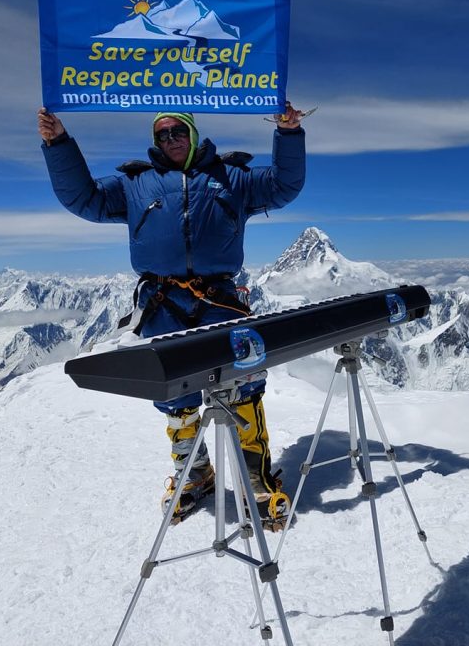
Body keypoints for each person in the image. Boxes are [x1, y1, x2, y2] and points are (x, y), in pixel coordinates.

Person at [38, 103, 306, 526]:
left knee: (244, 385)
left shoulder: (231, 177)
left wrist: (288, 134)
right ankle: (195, 473)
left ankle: (256, 479)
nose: (170, 140)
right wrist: (58, 145)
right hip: (163, 304)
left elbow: (284, 185)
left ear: (193, 133)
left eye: (177, 131)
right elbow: (82, 198)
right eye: (162, 134)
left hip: (219, 300)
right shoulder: (135, 184)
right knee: (175, 394)